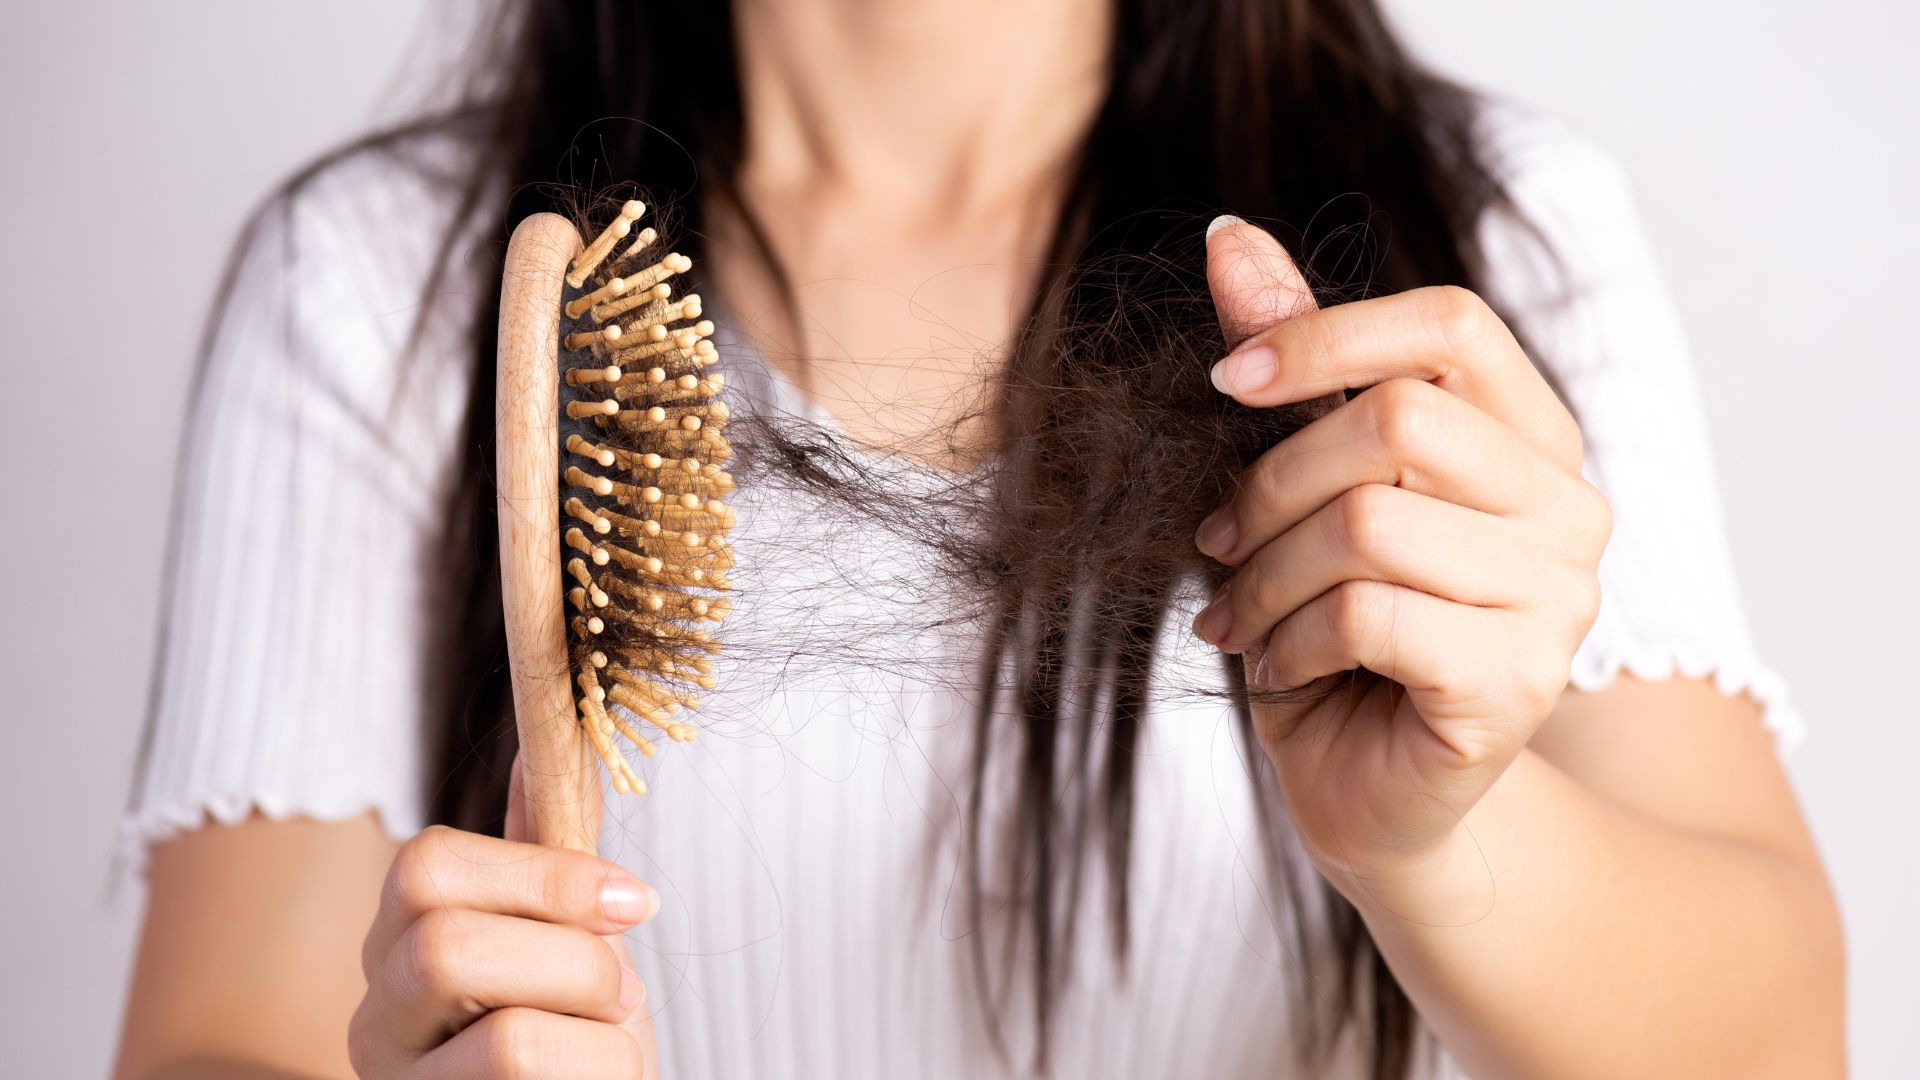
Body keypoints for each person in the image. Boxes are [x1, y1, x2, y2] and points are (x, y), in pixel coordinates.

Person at [112, 2, 1845, 1077]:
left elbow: (1778, 1051)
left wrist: (1442, 847)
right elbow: (225, 1043)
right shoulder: (378, 285)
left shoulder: (1485, 237)